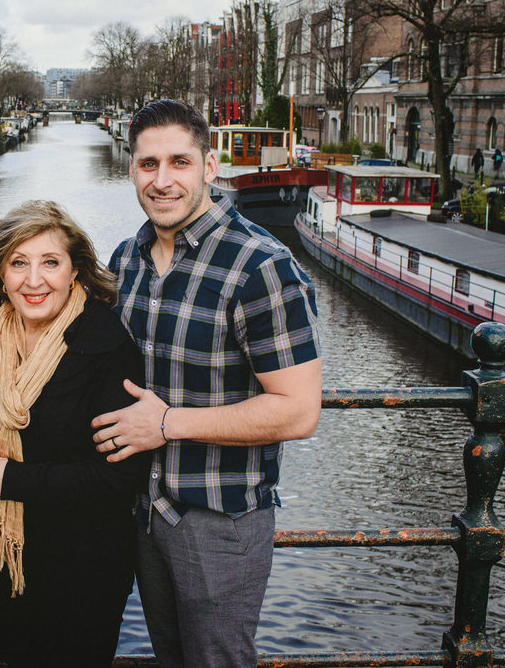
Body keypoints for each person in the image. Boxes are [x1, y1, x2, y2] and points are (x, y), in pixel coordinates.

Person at [90, 99, 322, 668]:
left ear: (209, 167)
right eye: (148, 165)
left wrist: (166, 424)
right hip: (146, 512)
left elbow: (298, 412)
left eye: (179, 162)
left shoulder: (261, 266)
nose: (162, 181)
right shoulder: (128, 260)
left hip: (221, 519)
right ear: (132, 169)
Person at [0, 200, 148, 668]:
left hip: (84, 569)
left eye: (50, 262)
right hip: (7, 561)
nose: (34, 280)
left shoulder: (105, 345)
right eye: (18, 263)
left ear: (75, 271)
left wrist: (14, 481)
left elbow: (119, 478)